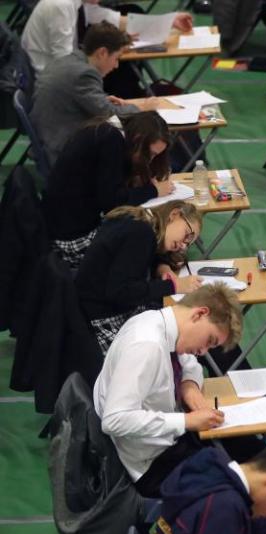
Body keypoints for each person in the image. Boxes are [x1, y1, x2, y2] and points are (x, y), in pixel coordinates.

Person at [93, 284, 244, 496]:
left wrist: (189, 385)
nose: (203, 351)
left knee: (246, 450)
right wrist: (187, 422)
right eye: (209, 341)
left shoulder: (160, 322)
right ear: (200, 314)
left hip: (166, 440)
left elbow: (190, 363)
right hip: (151, 464)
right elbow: (114, 420)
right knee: (236, 488)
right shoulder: (147, 346)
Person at [43, 112, 174, 267]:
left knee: (144, 232)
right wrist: (153, 190)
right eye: (150, 154)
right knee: (146, 238)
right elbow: (113, 204)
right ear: (138, 139)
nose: (150, 160)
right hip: (71, 241)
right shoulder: (110, 140)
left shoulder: (108, 131)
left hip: (62, 229)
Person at [75, 201, 203, 354]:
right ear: (174, 215)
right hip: (100, 322)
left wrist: (161, 266)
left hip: (92, 310)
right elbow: (120, 292)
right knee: (179, 331)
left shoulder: (138, 220)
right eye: (187, 235)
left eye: (189, 243)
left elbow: (134, 259)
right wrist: (174, 286)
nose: (183, 245)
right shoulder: (142, 234)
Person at [30, 22, 163, 165]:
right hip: (63, 148)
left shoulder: (70, 60)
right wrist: (143, 108)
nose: (116, 66)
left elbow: (75, 99)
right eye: (116, 58)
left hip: (50, 136)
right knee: (133, 141)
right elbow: (109, 112)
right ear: (102, 53)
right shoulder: (84, 74)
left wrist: (102, 99)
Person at [21, 0, 192, 73]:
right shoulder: (61, 5)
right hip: (48, 88)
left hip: (57, 77)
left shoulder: (77, 4)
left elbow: (115, 19)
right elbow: (65, 65)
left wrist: (169, 21)